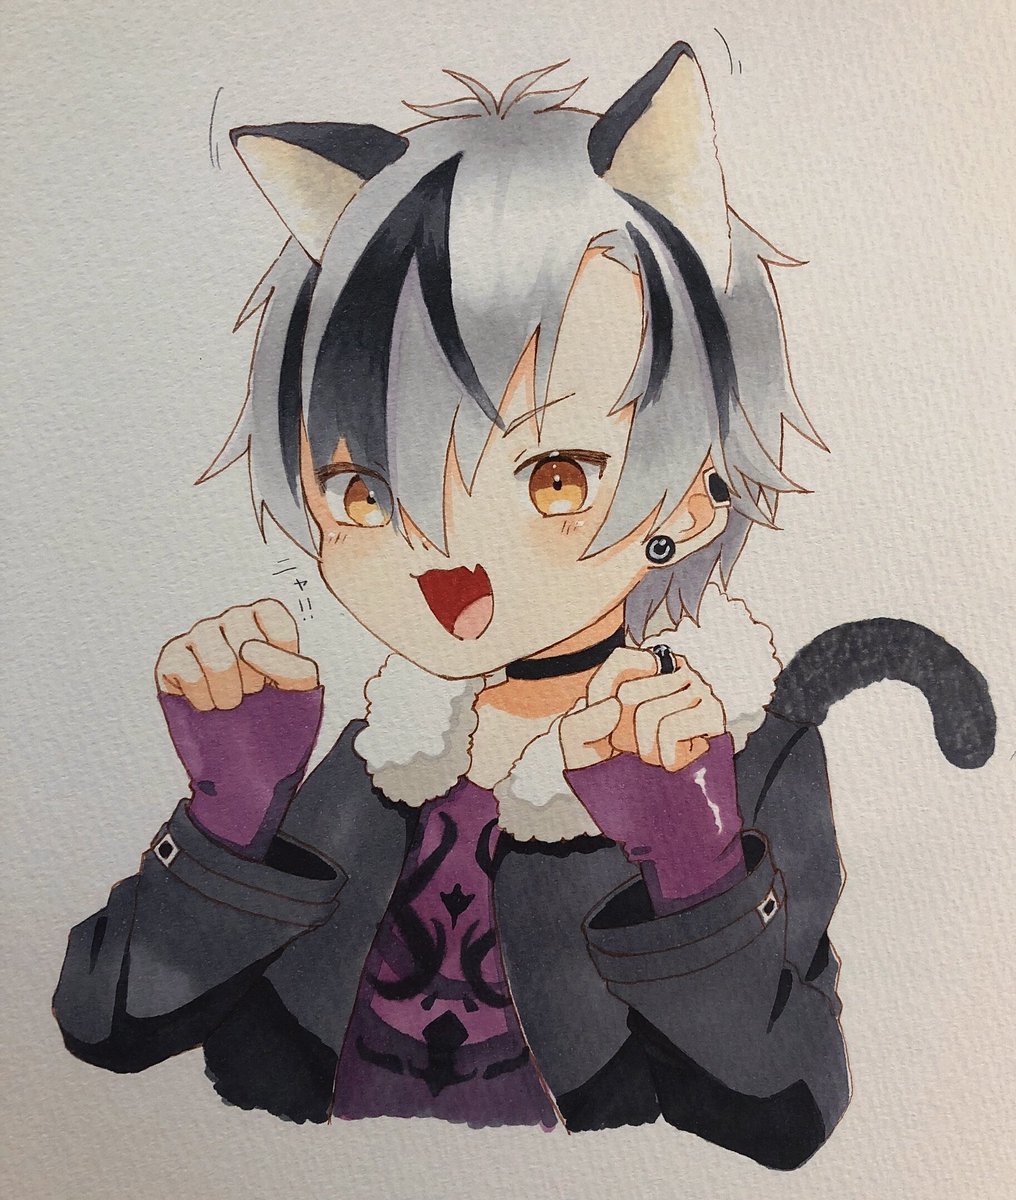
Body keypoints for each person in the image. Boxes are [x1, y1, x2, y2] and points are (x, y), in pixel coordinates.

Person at [53, 45, 994, 1169]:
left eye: (553, 477)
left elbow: (788, 1114)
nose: (446, 558)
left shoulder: (731, 755)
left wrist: (693, 870)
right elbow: (103, 1030)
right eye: (366, 490)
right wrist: (228, 818)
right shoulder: (352, 733)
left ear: (694, 493)